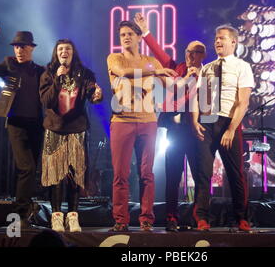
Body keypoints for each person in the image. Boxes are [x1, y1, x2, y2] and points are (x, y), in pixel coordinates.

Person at [134, 13, 206, 232]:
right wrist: (145, 31)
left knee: (201, 176)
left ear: (202, 55)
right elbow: (158, 51)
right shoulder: (177, 68)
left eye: (195, 52)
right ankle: (172, 217)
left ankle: (199, 217)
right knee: (173, 175)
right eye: (187, 51)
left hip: (198, 130)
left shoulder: (209, 72)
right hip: (175, 129)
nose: (190, 54)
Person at [107, 20, 177, 232]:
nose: (126, 37)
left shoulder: (152, 62)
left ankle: (146, 219)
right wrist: (156, 73)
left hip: (148, 121)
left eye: (130, 34)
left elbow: (173, 85)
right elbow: (123, 73)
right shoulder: (115, 58)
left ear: (139, 38)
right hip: (122, 122)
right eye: (122, 35)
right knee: (121, 174)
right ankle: (121, 221)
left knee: (147, 173)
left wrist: (189, 77)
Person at [0, 28, 44, 228]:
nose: (19, 50)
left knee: (30, 171)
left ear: (31, 48)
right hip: (16, 124)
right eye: (16, 47)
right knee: (27, 167)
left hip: (36, 126)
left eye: (23, 47)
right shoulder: (9, 64)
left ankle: (24, 210)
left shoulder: (39, 70)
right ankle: (20, 214)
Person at [192, 25, 254, 232]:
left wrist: (231, 129)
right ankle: (202, 218)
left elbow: (242, 102)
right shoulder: (207, 68)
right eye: (216, 38)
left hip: (229, 121)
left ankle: (241, 218)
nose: (217, 42)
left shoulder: (242, 66)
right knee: (203, 173)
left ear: (233, 42)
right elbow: (197, 97)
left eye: (222, 38)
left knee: (235, 173)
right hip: (207, 122)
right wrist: (195, 121)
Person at [39, 39, 102, 232]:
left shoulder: (84, 73)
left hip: (77, 129)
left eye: (68, 48)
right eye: (60, 49)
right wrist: (58, 79)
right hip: (55, 129)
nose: (64, 52)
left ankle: (73, 216)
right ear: (56, 53)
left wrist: (97, 94)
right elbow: (46, 101)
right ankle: (57, 217)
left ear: (73, 53)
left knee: (76, 174)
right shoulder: (48, 73)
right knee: (56, 175)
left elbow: (93, 93)